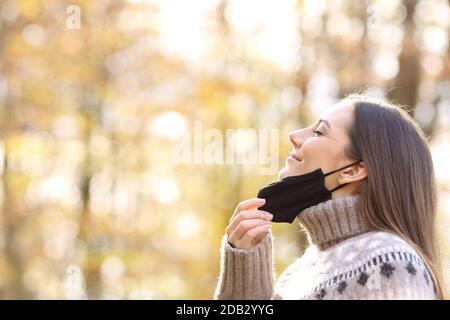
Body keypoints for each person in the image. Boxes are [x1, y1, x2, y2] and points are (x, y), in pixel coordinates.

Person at [214, 94, 443, 300]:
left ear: (352, 171)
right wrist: (245, 271)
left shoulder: (389, 262)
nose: (294, 136)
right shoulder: (296, 276)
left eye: (319, 131)